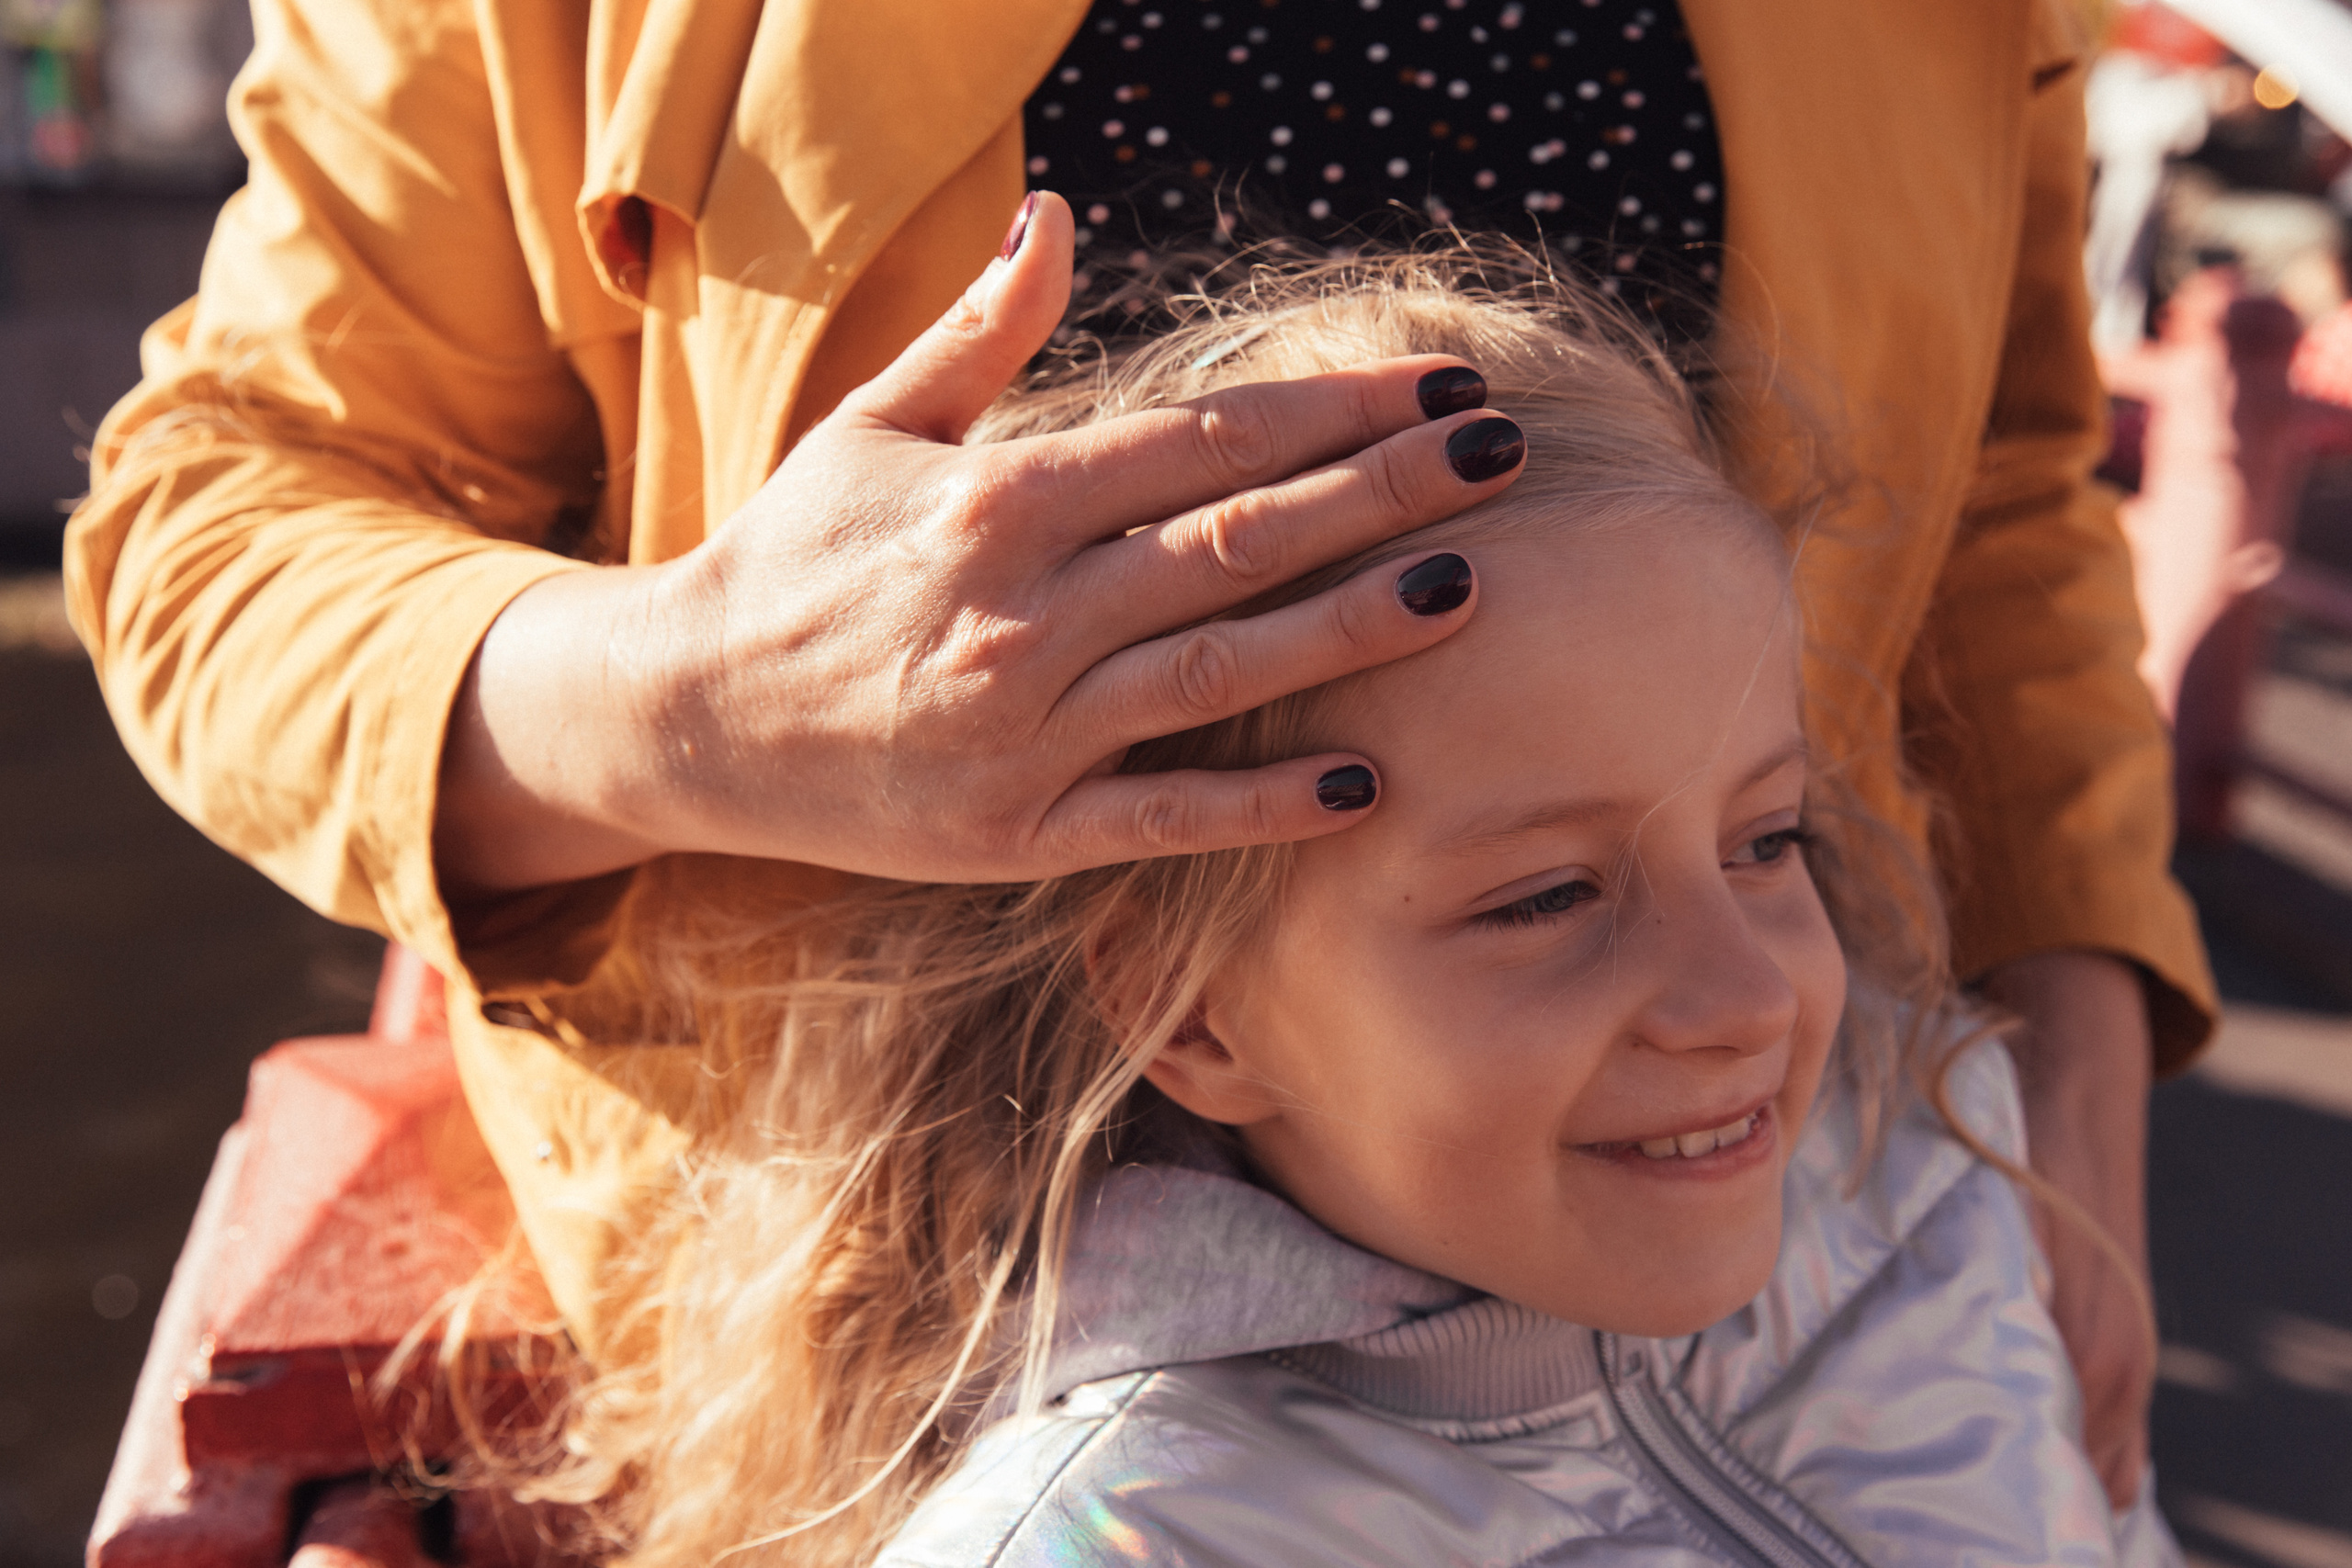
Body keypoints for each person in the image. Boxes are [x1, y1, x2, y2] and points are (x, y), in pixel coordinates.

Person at [63, 0, 2211, 1509]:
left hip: (1779, 1216)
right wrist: (697, 692)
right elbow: (216, 521)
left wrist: (2068, 1041)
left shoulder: (1885, 1232)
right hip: (904, 1326)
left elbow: (2008, 479)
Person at [531, 257, 2181, 1566]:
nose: (1744, 994)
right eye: (1546, 896)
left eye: (1770, 840)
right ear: (1193, 1014)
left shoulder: (1934, 1176)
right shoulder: (1126, 1540)